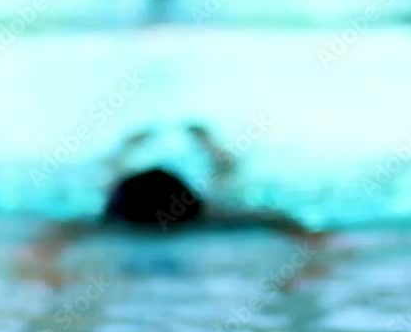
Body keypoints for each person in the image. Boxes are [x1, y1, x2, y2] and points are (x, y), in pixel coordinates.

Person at [19, 123, 332, 288]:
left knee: (222, 183)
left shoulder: (113, 220)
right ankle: (198, 147)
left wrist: (48, 272)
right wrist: (313, 258)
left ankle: (196, 147)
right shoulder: (210, 219)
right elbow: (280, 220)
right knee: (224, 180)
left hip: (144, 200)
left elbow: (48, 240)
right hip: (157, 200)